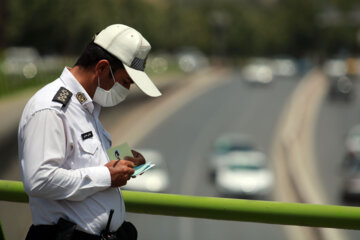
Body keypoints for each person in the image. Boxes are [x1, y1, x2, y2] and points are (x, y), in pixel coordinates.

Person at [18, 24, 162, 240]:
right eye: (125, 81)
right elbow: (40, 180)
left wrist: (123, 160)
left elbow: (81, 160)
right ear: (102, 68)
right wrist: (107, 175)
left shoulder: (86, 106)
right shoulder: (52, 108)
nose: (127, 89)